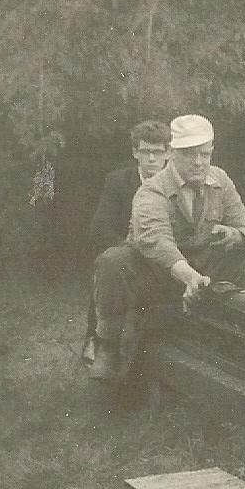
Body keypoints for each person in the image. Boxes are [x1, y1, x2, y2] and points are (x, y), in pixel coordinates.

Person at [89, 114, 245, 380]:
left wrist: (235, 235)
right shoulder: (152, 191)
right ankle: (107, 344)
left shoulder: (221, 181)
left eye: (204, 154)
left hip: (205, 268)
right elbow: (156, 241)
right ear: (173, 154)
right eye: (189, 155)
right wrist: (192, 279)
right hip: (156, 274)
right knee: (113, 260)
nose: (199, 162)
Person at [81, 120, 171, 363]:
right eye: (145, 152)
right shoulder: (118, 182)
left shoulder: (176, 184)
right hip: (130, 252)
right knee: (109, 264)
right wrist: (130, 247)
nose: (151, 159)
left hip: (168, 258)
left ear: (168, 153)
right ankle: (96, 338)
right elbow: (99, 229)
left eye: (158, 152)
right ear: (135, 152)